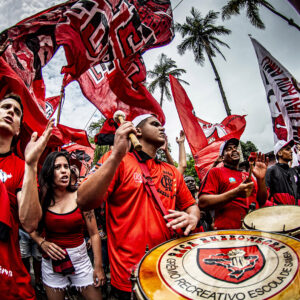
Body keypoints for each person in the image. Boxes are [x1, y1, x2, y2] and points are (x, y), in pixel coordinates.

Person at [77, 114, 200, 299]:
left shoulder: (172, 172)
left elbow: (191, 205)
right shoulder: (118, 159)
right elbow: (83, 200)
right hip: (129, 277)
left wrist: (193, 217)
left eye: (162, 125)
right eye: (155, 124)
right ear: (138, 131)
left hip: (168, 270)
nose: (162, 128)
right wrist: (117, 154)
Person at [30, 151, 105, 300]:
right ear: (48, 172)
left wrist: (98, 267)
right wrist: (42, 243)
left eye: (66, 166)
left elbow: (94, 234)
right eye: (58, 167)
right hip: (52, 263)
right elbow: (30, 227)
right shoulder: (41, 199)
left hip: (81, 260)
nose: (64, 170)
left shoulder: (81, 196)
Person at [0, 93, 53, 299]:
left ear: (17, 130)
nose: (11, 112)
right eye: (6, 107)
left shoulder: (21, 168)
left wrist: (31, 166)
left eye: (16, 112)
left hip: (8, 277)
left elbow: (30, 224)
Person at [198, 138, 268, 230]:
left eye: (235, 148)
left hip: (254, 230)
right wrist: (236, 192)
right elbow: (203, 202)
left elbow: (261, 201)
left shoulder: (247, 175)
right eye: (229, 149)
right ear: (222, 157)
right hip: (229, 234)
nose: (234, 150)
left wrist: (260, 179)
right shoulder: (215, 172)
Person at [265, 139, 299, 205]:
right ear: (279, 153)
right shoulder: (271, 171)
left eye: (290, 149)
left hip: (296, 213)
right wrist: (278, 209)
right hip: (280, 213)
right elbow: (264, 198)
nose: (291, 151)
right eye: (288, 149)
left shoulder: (294, 172)